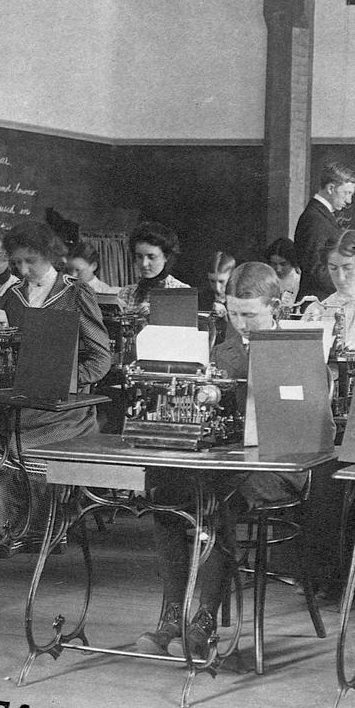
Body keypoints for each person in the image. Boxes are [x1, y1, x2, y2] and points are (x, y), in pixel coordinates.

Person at [136, 263, 308, 659]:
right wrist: (209, 395)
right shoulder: (221, 352)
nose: (241, 323)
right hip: (229, 464)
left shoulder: (299, 346)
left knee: (216, 499)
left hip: (281, 467)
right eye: (233, 313)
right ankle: (172, 615)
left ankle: (205, 620)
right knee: (165, 492)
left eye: (250, 314)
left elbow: (307, 419)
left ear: (276, 307)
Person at [0, 221, 111, 551]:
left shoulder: (76, 293)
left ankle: (43, 531)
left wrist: (65, 380)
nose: (22, 270)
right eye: (17, 262)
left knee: (25, 451)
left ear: (50, 255)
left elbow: (101, 359)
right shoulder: (12, 296)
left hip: (65, 412)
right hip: (22, 404)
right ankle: (7, 530)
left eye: (30, 261)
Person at [293, 162, 355, 301]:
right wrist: (354, 282)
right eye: (347, 193)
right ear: (331, 188)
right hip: (317, 303)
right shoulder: (315, 219)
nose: (349, 200)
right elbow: (316, 271)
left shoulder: (320, 214)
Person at [117, 222, 190, 315]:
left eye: (151, 257)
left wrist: (159, 314)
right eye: (139, 256)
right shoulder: (126, 293)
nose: (144, 264)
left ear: (166, 257)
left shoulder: (181, 292)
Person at [265, 237, 302, 310]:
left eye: (283, 264)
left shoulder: (300, 280)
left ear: (292, 262)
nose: (278, 269)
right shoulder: (265, 279)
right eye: (273, 264)